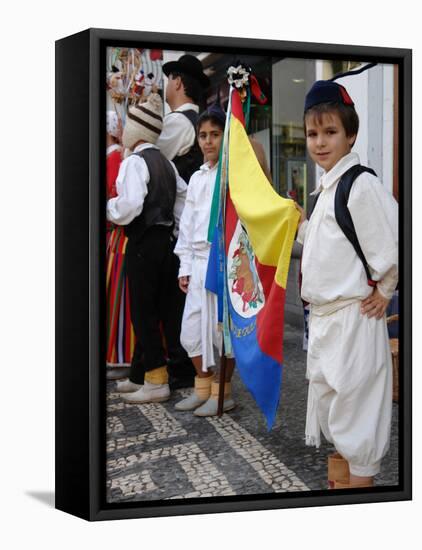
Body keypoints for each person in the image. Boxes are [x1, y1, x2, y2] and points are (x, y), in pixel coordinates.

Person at [295, 79, 398, 488]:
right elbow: (326, 245)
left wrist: (385, 290)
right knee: (336, 412)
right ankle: (341, 490)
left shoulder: (360, 185)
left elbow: (392, 242)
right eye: (313, 134)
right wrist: (295, 222)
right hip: (324, 323)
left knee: (356, 418)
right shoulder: (326, 190)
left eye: (330, 132)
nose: (320, 142)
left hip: (353, 321)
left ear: (350, 133)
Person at [106, 93, 187, 404]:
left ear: (136, 130)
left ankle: (155, 379)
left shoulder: (135, 162)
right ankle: (141, 374)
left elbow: (129, 206)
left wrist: (108, 207)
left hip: (143, 243)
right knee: (159, 310)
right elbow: (183, 203)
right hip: (167, 243)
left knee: (142, 311)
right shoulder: (166, 163)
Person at [173, 105, 236, 416]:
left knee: (221, 333)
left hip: (220, 262)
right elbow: (186, 223)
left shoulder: (232, 174)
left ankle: (222, 393)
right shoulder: (197, 178)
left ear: (225, 136)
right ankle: (203, 385)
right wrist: (184, 265)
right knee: (190, 331)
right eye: (203, 135)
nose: (208, 141)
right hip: (196, 262)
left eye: (215, 134)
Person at [155, 54, 211, 390]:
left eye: (167, 80)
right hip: (189, 234)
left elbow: (148, 160)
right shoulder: (194, 123)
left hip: (180, 232)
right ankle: (197, 373)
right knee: (189, 312)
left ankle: (185, 371)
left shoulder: (177, 123)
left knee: (179, 308)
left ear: (177, 81)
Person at [105, 111, 135, 379]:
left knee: (120, 293)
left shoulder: (115, 156)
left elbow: (118, 195)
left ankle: (122, 356)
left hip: (120, 234)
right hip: (114, 235)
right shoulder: (114, 155)